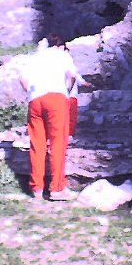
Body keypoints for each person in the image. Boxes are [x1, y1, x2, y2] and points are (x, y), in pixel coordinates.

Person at [18, 34, 79, 201]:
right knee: (58, 142)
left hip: (35, 100)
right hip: (56, 98)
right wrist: (66, 91)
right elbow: (72, 75)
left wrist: (30, 93)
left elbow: (22, 79)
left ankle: (37, 188)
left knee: (37, 144)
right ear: (57, 45)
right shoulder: (62, 55)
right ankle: (57, 188)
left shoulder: (34, 58)